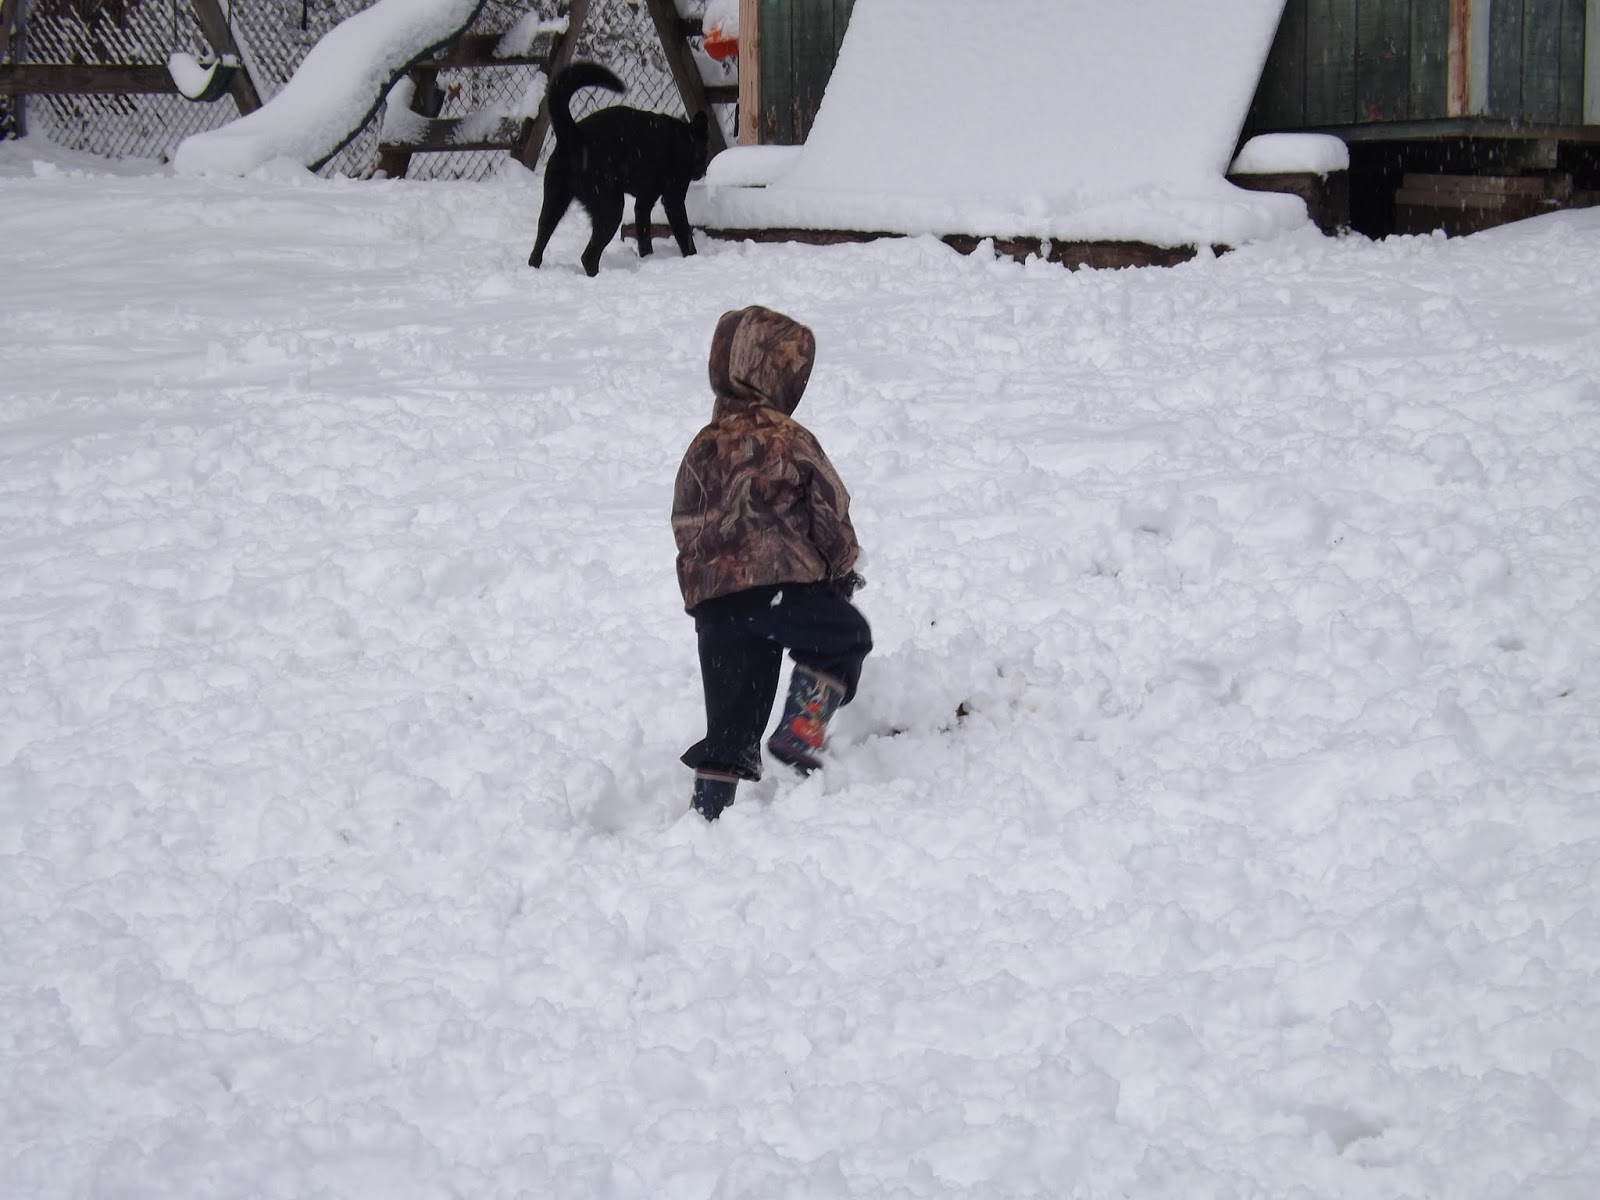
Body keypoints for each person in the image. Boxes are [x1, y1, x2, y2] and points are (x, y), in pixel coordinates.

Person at [671, 305, 873, 820]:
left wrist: (703, 588)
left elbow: (684, 519)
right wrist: (841, 565)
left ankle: (709, 810)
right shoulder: (787, 437)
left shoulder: (701, 446)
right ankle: (800, 732)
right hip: (783, 586)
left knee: (733, 715)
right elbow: (828, 507)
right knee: (845, 637)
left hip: (716, 606)